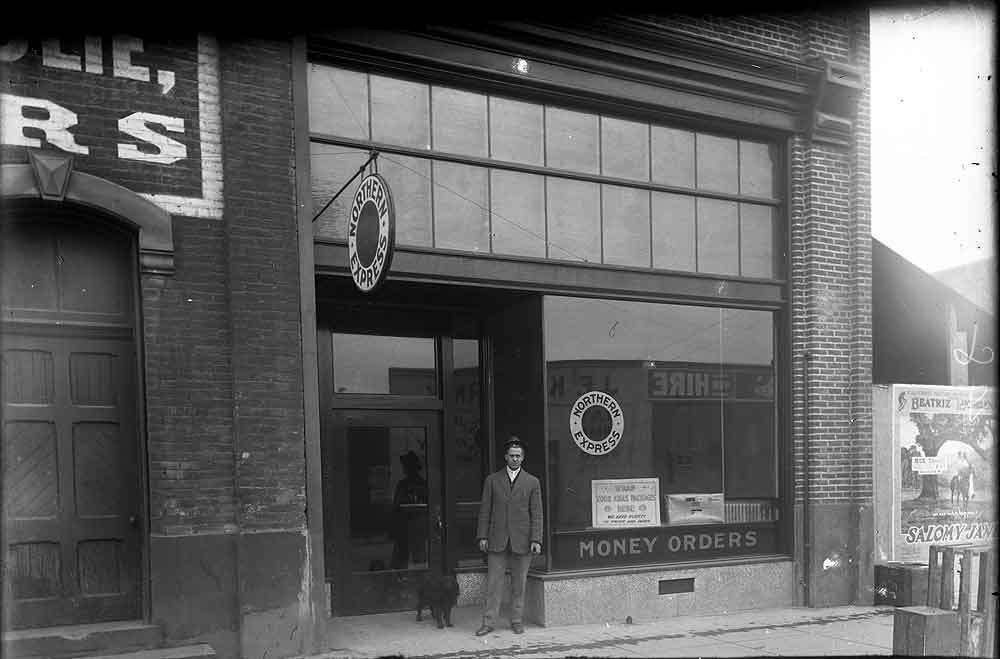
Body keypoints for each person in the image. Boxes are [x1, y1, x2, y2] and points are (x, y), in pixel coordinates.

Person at [475, 437, 543, 636]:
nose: (515, 459)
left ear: (523, 458)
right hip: (497, 540)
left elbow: (537, 513)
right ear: (506, 457)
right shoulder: (492, 480)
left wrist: (536, 539)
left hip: (523, 541)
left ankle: (516, 620)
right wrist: (482, 536)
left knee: (519, 584)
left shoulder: (532, 482)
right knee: (493, 584)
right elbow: (485, 510)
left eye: (518, 456)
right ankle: (488, 622)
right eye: (512, 455)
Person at [390, 450, 428, 569]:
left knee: (413, 558)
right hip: (409, 527)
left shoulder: (418, 485)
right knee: (407, 558)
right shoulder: (418, 484)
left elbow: (396, 507)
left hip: (412, 526)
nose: (404, 468)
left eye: (405, 465)